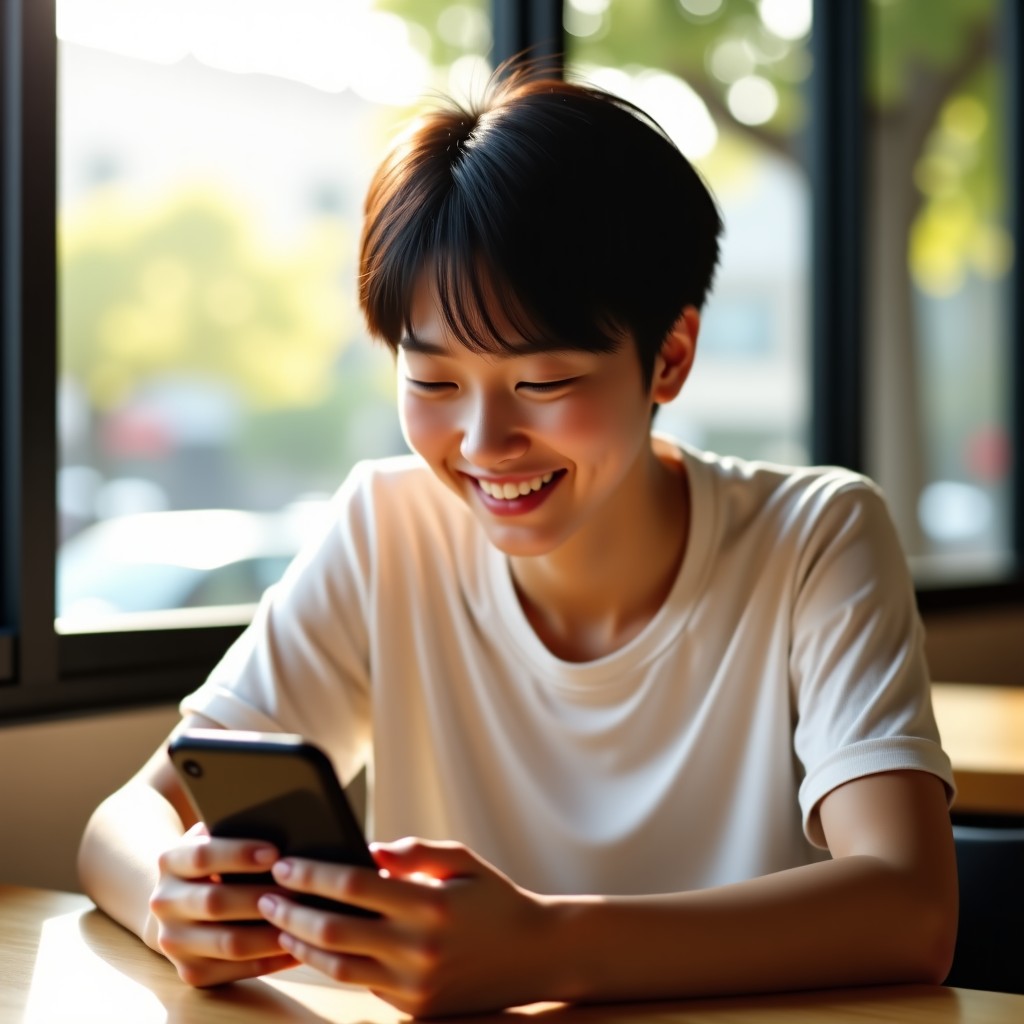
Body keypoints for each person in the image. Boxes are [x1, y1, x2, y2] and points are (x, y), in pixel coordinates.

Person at [78, 65, 958, 1017]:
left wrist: (546, 950)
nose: (483, 443)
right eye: (434, 382)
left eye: (542, 383)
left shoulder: (815, 536)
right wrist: (173, 899)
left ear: (670, 355)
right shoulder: (387, 526)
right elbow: (119, 825)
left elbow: (910, 909)